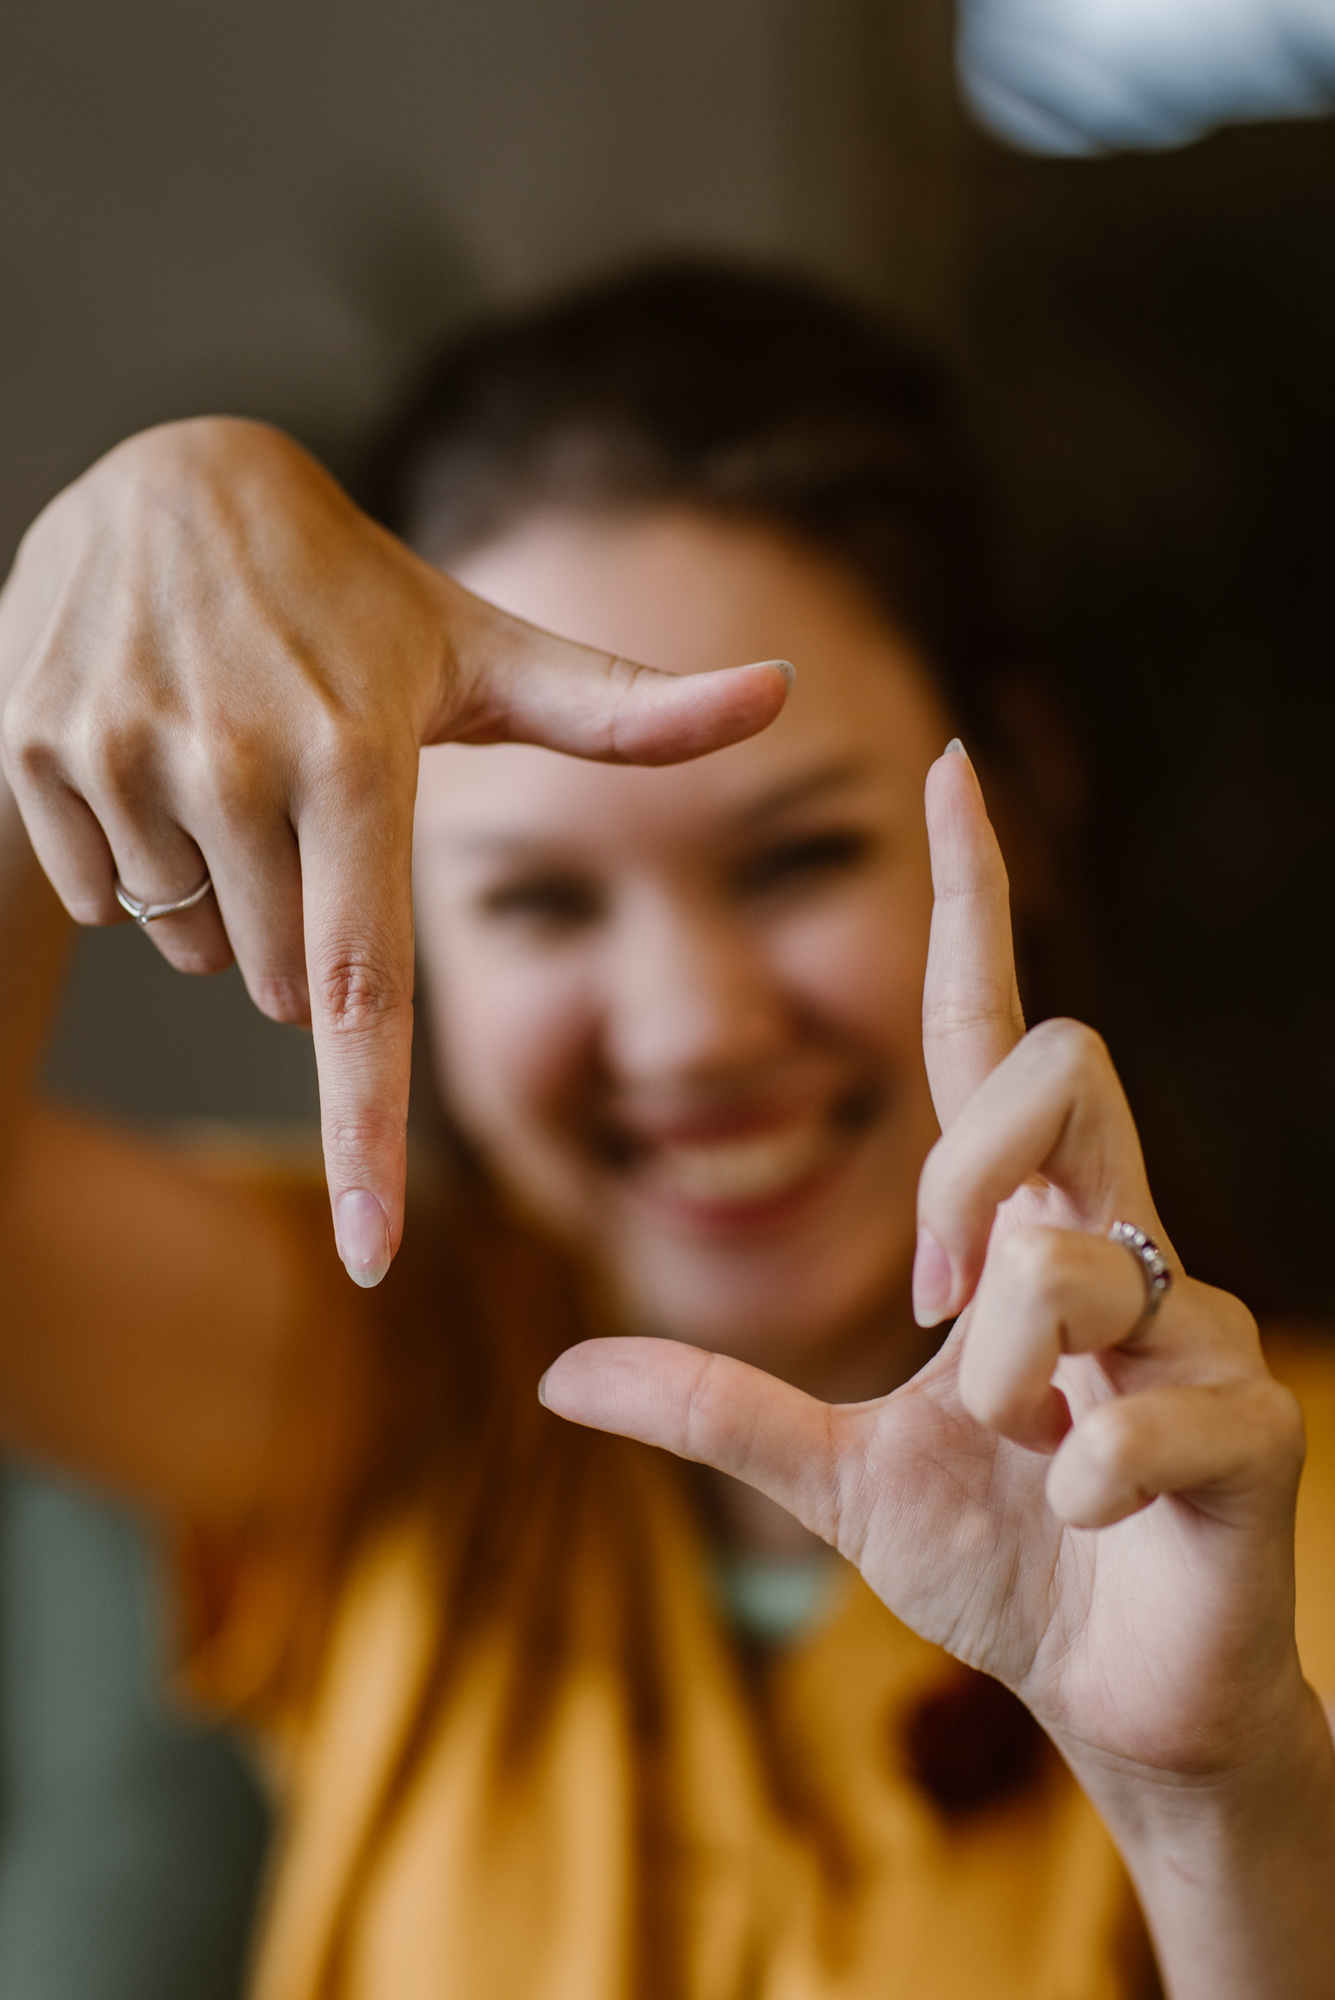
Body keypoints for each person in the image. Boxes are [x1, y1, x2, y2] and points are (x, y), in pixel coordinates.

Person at [1, 262, 1333, 1999]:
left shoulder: (1267, 1519)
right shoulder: (394, 1387)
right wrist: (64, 612)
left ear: (1023, 792)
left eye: (798, 860)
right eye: (544, 899)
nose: (698, 1032)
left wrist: (1214, 1813)